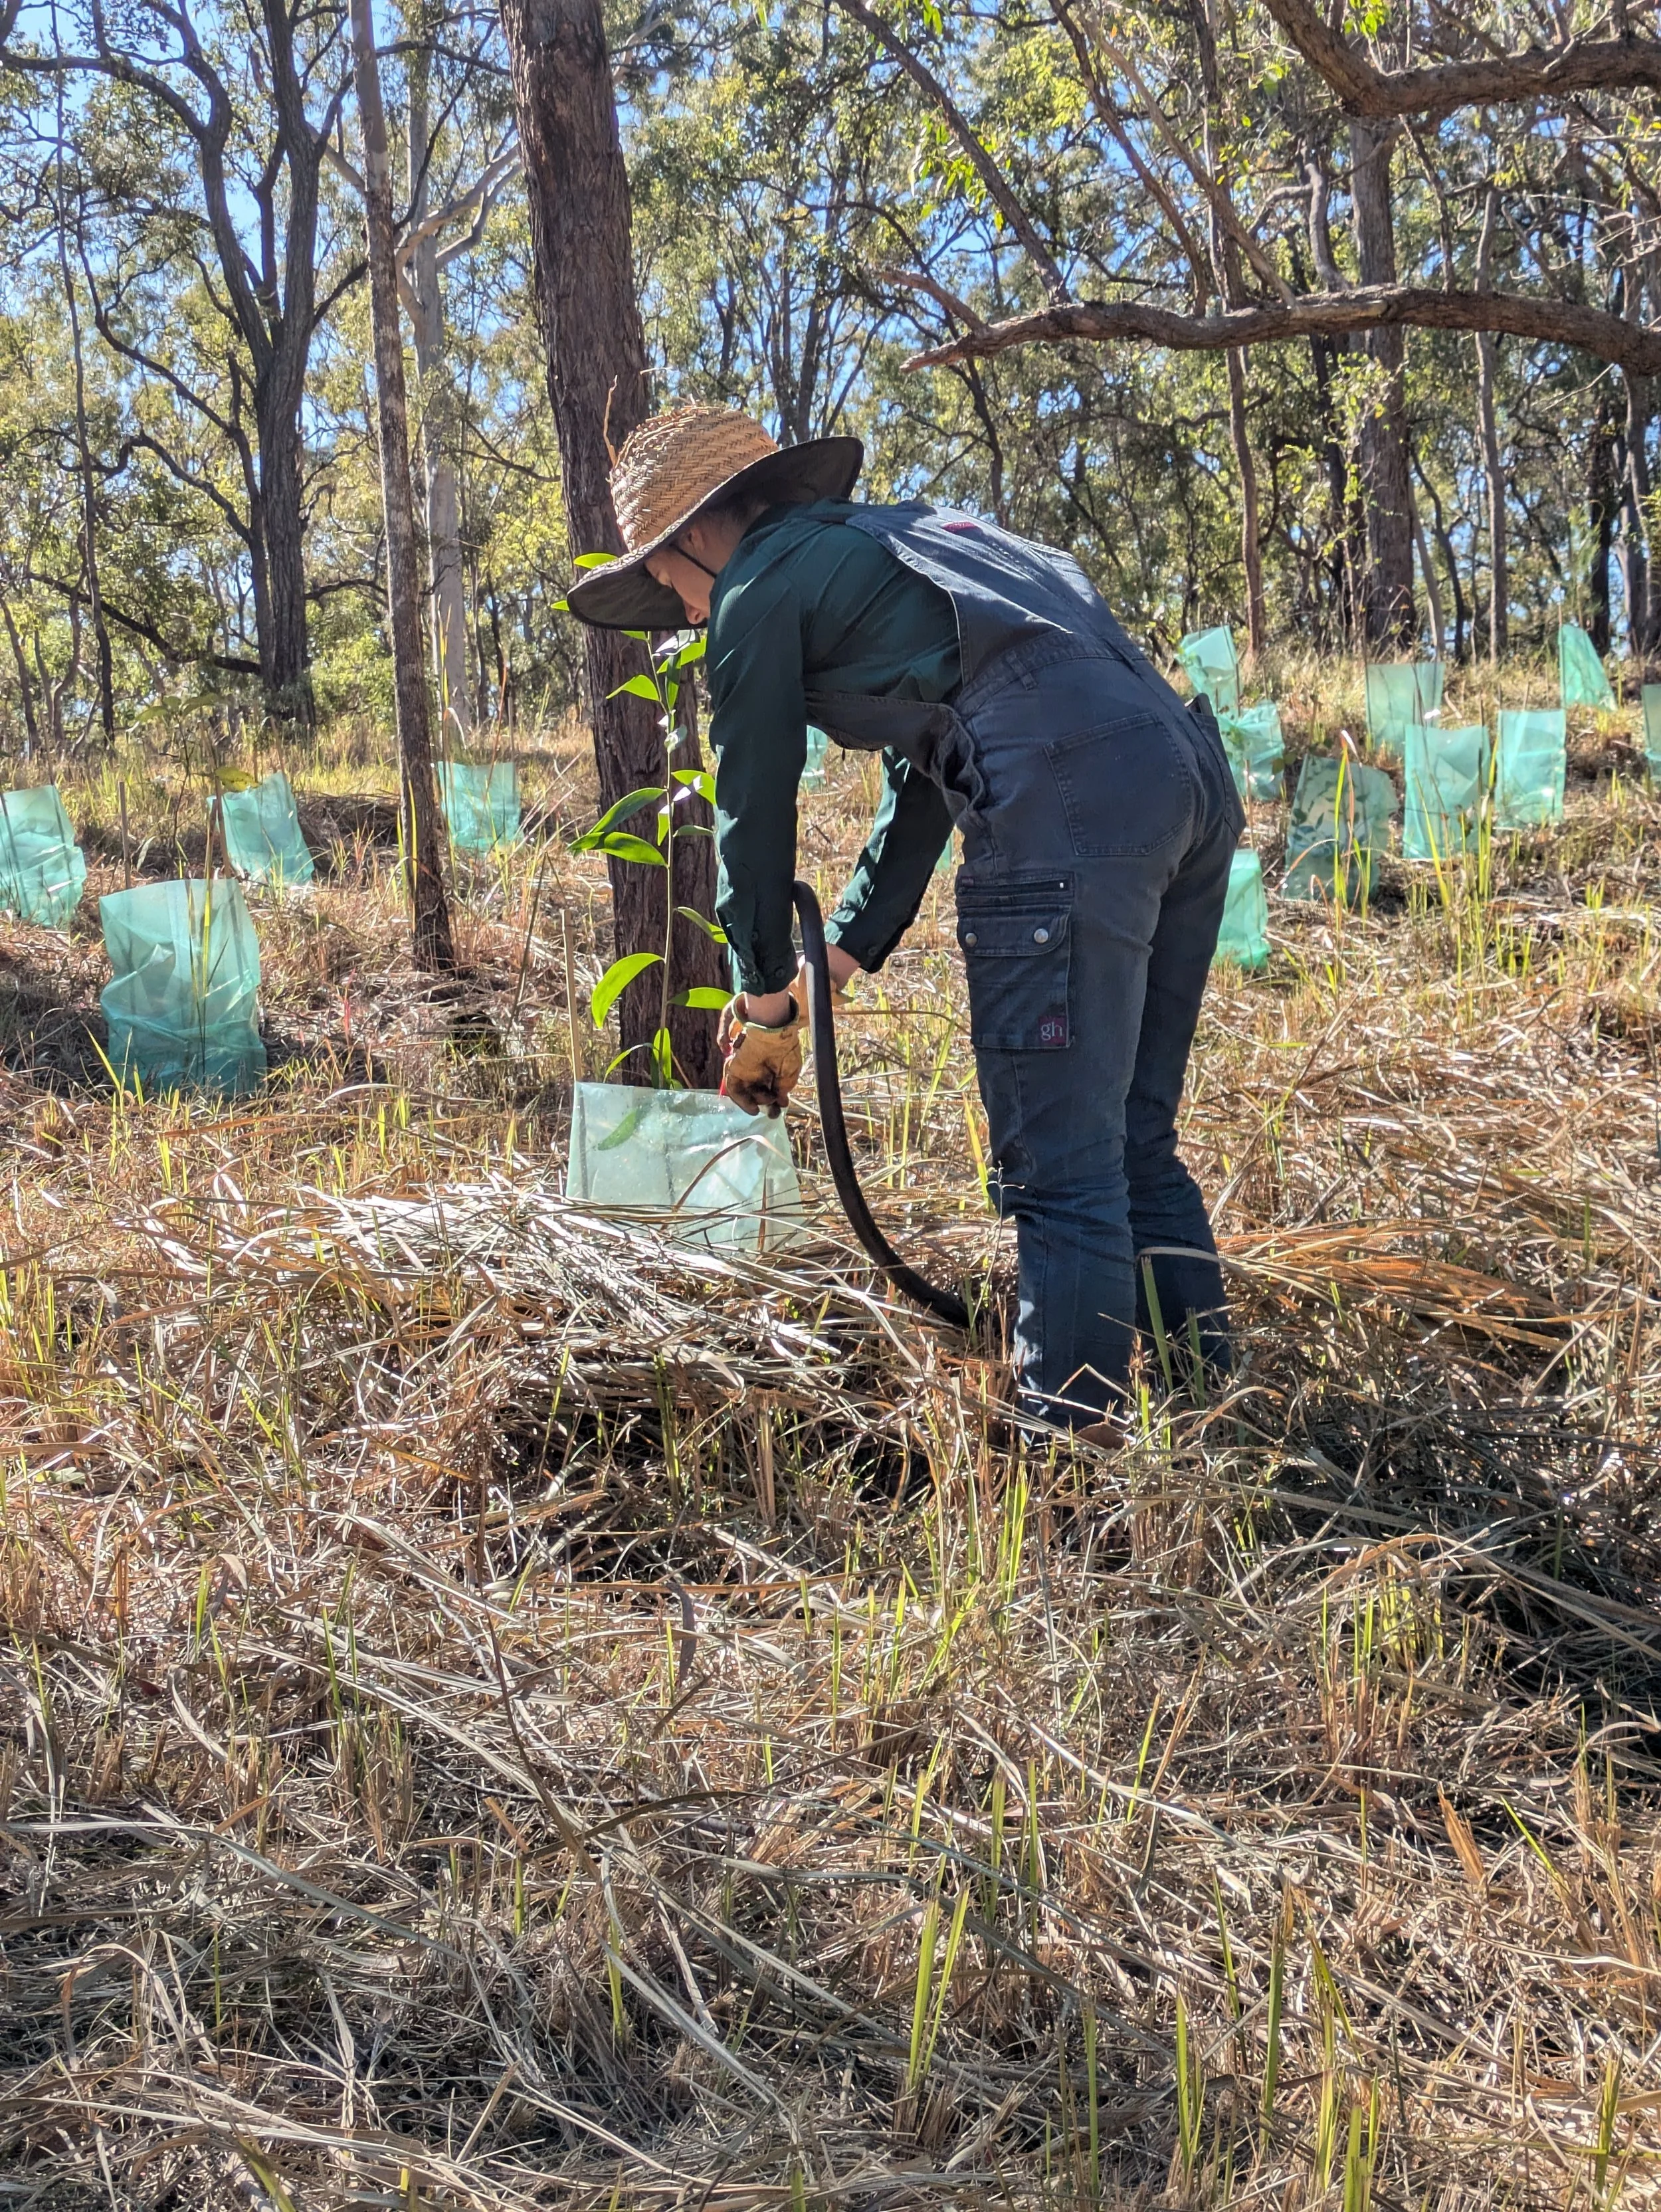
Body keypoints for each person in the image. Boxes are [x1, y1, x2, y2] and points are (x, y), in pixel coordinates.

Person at [569, 404, 1244, 1434]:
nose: (681, 608)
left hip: (1067, 805)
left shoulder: (755, 582)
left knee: (1061, 1173)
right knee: (1132, 1141)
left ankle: (1078, 1472)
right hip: (1187, 778)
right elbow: (926, 779)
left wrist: (759, 995)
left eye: (664, 580)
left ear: (695, 536)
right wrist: (828, 968)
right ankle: (1212, 1420)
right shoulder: (910, 542)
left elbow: (752, 801)